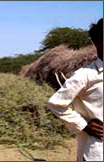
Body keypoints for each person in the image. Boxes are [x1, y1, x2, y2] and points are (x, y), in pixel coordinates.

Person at [47, 18, 103, 161]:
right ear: (98, 43)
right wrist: (83, 125)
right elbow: (56, 103)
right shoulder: (85, 75)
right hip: (96, 151)